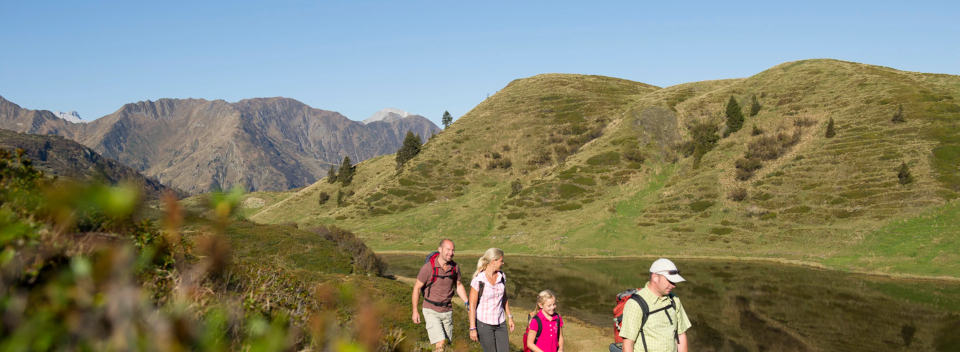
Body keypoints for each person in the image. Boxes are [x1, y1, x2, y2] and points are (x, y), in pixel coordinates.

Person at [619, 258, 691, 352]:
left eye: (674, 282)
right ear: (655, 277)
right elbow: (628, 344)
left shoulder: (674, 300)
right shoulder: (635, 304)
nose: (674, 285)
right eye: (670, 281)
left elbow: (681, 335)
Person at [412, 239, 470, 351]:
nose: (451, 253)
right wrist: (415, 310)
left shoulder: (455, 267)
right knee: (441, 342)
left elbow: (459, 285)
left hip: (447, 311)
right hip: (431, 310)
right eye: (448, 249)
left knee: (446, 345)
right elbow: (417, 288)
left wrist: (467, 303)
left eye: (453, 250)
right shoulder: (428, 267)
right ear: (440, 250)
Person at [468, 248, 515, 352]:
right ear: (493, 261)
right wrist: (472, 328)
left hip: (500, 322)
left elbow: (504, 297)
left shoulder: (502, 276)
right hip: (484, 324)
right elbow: (472, 306)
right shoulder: (478, 280)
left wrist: (510, 316)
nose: (503, 263)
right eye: (501, 261)